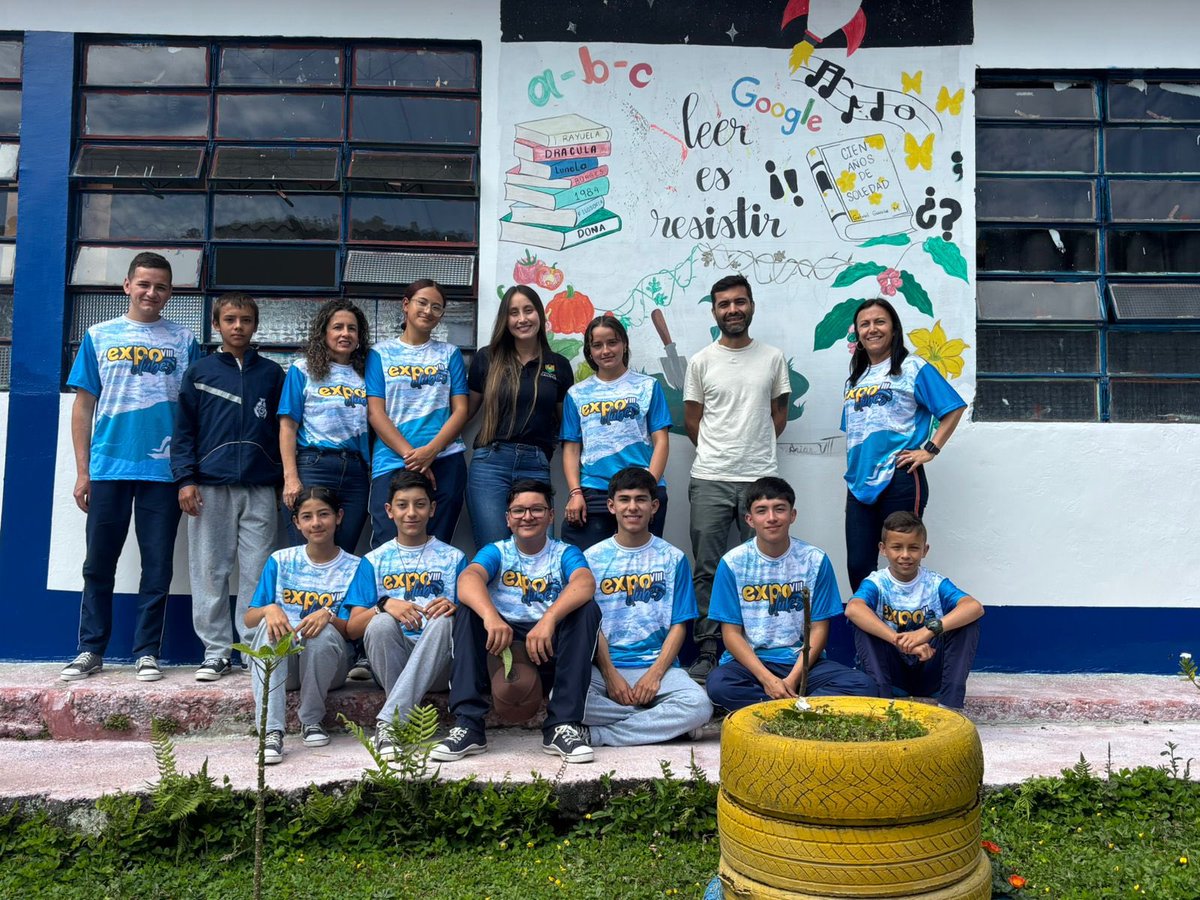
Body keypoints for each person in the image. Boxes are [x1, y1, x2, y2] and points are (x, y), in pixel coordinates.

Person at [61, 252, 201, 683]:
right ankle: (90, 649)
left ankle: (146, 652)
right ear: (127, 286)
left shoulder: (184, 341)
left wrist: (187, 472)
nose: (151, 293)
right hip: (109, 468)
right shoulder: (99, 335)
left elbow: (193, 413)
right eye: (143, 284)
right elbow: (83, 407)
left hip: (163, 471)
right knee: (97, 564)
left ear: (170, 293)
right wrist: (83, 472)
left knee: (157, 567)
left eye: (160, 286)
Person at [431, 480, 600, 764]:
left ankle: (562, 725)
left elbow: (585, 582)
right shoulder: (497, 551)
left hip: (548, 647)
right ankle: (468, 725)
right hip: (502, 645)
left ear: (551, 516)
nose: (527, 516)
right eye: (518, 510)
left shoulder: (564, 552)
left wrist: (549, 619)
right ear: (508, 518)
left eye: (536, 509)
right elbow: (468, 579)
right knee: (466, 610)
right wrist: (490, 616)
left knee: (587, 610)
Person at [683, 274, 790, 682]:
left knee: (759, 569)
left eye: (739, 302)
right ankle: (709, 649)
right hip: (710, 476)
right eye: (724, 303)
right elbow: (693, 421)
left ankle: (755, 647)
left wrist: (754, 448)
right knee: (708, 567)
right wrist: (721, 450)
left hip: (760, 479)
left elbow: (778, 414)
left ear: (752, 306)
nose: (732, 309)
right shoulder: (701, 361)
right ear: (714, 311)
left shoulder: (773, 358)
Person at [173, 292, 285, 681]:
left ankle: (253, 650)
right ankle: (217, 651)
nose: (238, 327)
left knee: (258, 571)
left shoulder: (272, 374)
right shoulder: (200, 372)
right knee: (210, 571)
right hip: (209, 487)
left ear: (256, 325)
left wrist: (283, 480)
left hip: (260, 487)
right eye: (230, 319)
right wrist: (185, 479)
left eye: (246, 320)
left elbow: (283, 431)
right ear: (217, 325)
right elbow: (183, 431)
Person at [705, 477, 876, 712]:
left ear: (792, 515)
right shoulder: (732, 563)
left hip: (802, 664)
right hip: (751, 665)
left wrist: (793, 679)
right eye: (761, 511)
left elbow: (819, 629)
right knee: (719, 685)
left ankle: (774, 709)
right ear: (750, 519)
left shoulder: (814, 560)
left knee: (862, 685)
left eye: (779, 509)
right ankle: (802, 709)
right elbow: (731, 634)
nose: (772, 518)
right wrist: (767, 679)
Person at [244, 486, 375, 764]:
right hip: (285, 666)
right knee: (270, 634)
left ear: (339, 517)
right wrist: (269, 609)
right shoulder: (280, 561)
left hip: (331, 667)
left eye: (324, 514)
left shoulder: (357, 566)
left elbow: (354, 629)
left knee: (320, 630)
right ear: (297, 523)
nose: (316, 523)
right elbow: (249, 618)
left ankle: (312, 720)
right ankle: (270, 732)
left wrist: (328, 615)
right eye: (307, 516)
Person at [582, 467, 712, 746]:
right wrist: (610, 675)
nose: (632, 507)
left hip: (660, 668)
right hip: (606, 669)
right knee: (565, 699)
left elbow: (679, 626)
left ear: (654, 507)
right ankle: (661, 722)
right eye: (624, 499)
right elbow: (592, 626)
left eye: (641, 499)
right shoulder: (591, 559)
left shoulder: (673, 558)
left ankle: (601, 735)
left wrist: (654, 676)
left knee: (699, 706)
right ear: (611, 505)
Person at [843, 298, 966, 592]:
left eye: (880, 322)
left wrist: (930, 449)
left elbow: (953, 408)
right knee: (858, 564)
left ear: (894, 329)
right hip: (859, 482)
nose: (872, 329)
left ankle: (904, 634)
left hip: (899, 476)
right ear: (858, 334)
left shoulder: (912, 368)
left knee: (902, 560)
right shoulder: (855, 380)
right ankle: (871, 633)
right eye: (865, 324)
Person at [348, 470, 466, 761]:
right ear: (389, 511)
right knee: (380, 622)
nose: (411, 513)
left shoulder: (454, 558)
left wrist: (456, 609)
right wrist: (383, 605)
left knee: (443, 622)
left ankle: (389, 722)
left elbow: (472, 617)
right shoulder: (373, 561)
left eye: (420, 504)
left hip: (438, 665)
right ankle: (401, 714)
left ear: (433, 508)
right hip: (392, 662)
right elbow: (352, 629)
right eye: (402, 505)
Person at [465, 286, 573, 550]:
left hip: (536, 463)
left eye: (528, 310)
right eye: (514, 313)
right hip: (490, 465)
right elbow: (464, 413)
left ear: (540, 315)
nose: (522, 319)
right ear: (505, 320)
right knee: (493, 548)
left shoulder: (557, 365)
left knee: (536, 550)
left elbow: (569, 428)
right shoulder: (486, 358)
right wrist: (430, 446)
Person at [365, 279, 469, 547]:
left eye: (437, 307)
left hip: (445, 459)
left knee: (438, 544)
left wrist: (431, 452)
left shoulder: (450, 353)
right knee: (389, 544)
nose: (428, 311)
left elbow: (461, 410)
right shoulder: (380, 353)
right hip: (393, 460)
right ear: (406, 305)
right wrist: (414, 458)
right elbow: (376, 414)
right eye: (422, 303)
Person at [845, 511, 983, 710]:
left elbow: (974, 607)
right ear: (883, 549)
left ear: (925, 550)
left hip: (930, 668)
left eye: (913, 548)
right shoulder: (877, 582)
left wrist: (925, 632)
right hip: (892, 674)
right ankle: (882, 704)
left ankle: (950, 705)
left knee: (967, 622)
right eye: (896, 547)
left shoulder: (934, 583)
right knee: (863, 623)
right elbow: (853, 609)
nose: (905, 555)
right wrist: (898, 641)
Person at [561, 315, 671, 549]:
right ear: (589, 351)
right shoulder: (576, 394)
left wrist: (648, 488)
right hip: (595, 490)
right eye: (597, 345)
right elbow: (571, 448)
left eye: (612, 342)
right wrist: (575, 492)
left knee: (643, 563)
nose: (605, 350)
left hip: (642, 489)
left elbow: (661, 441)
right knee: (587, 566)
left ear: (624, 344)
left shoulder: (648, 386)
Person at [278, 299, 371, 553]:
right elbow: (287, 426)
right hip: (313, 467)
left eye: (352, 328)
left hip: (355, 472)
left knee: (345, 554)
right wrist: (291, 478)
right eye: (337, 327)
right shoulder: (302, 369)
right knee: (309, 551)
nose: (345, 333)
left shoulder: (367, 373)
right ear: (324, 333)